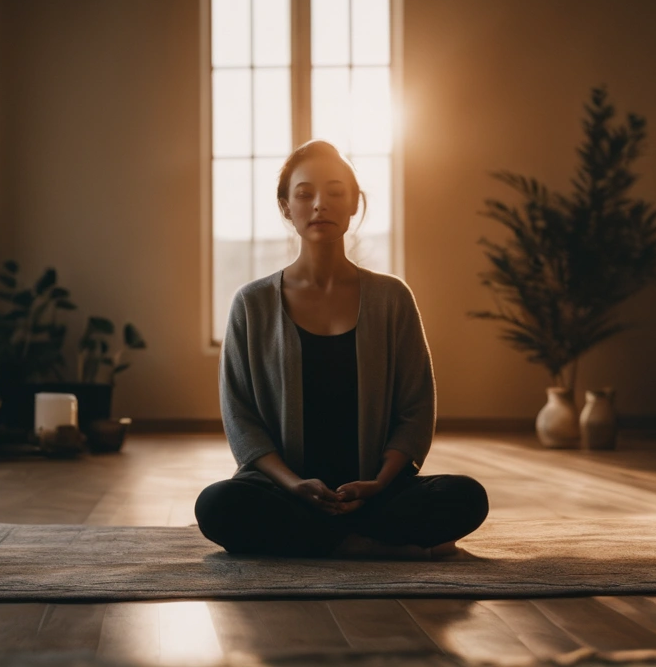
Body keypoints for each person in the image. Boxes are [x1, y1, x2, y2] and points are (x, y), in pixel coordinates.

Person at [195, 139, 489, 559]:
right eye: (304, 193)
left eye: (335, 192)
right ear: (285, 207)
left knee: (467, 495)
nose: (320, 204)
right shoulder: (251, 303)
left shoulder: (391, 298)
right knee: (216, 505)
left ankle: (322, 544)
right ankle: (369, 546)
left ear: (354, 205)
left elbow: (416, 407)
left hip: (377, 493)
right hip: (286, 494)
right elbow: (241, 416)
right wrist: (294, 484)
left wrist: (380, 483)